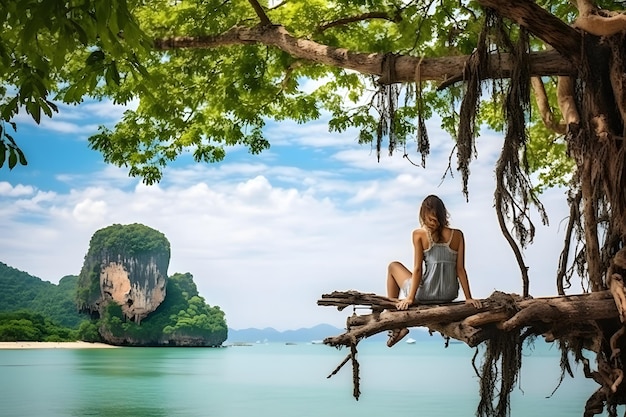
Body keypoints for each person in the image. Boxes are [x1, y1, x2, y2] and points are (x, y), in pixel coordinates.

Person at [385, 194, 482, 347]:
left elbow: (417, 269)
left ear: (423, 213)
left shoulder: (419, 234)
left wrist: (410, 298)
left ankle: (395, 323)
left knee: (393, 266)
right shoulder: (457, 235)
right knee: (402, 270)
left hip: (425, 293)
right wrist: (469, 298)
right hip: (448, 294)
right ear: (443, 213)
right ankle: (395, 320)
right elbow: (460, 269)